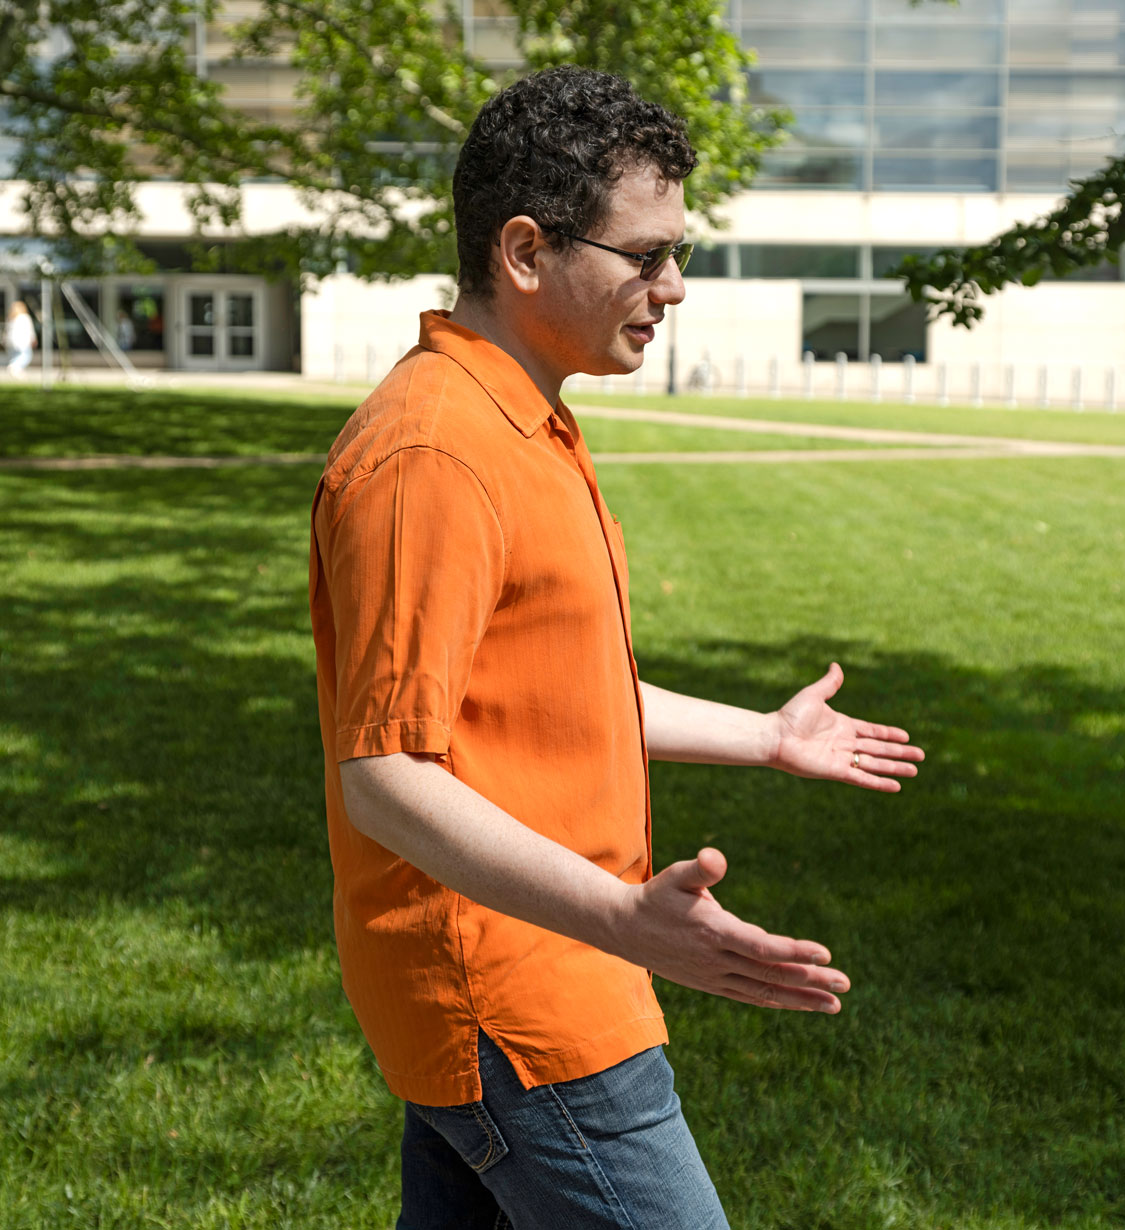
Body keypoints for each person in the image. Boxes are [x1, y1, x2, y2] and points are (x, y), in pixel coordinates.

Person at [309, 67, 925, 1228]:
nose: (672, 286)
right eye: (643, 255)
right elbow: (385, 777)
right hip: (522, 1004)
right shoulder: (434, 454)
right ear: (526, 252)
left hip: (533, 979)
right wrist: (621, 919)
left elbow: (548, 695)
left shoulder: (521, 419)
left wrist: (765, 737)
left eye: (674, 253)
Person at [4, 300, 35, 375]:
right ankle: (14, 366)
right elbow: (30, 330)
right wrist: (33, 339)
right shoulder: (25, 317)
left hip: (11, 342)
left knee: (16, 356)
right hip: (22, 342)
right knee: (27, 356)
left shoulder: (11, 318)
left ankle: (16, 369)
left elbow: (7, 331)